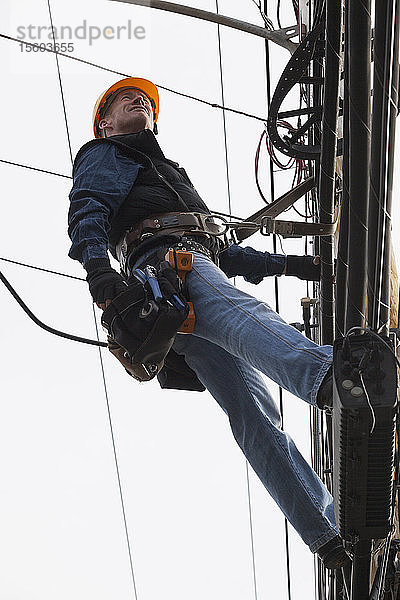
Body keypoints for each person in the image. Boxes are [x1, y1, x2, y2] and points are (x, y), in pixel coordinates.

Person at [68, 77, 348, 569]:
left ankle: (325, 536)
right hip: (168, 269)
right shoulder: (107, 155)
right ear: (105, 123)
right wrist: (100, 276)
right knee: (248, 320)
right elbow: (88, 214)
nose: (139, 101)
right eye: (123, 99)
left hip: (179, 290)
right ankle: (337, 379)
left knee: (252, 414)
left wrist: (294, 266)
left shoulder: (163, 170)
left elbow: (222, 250)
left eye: (146, 101)